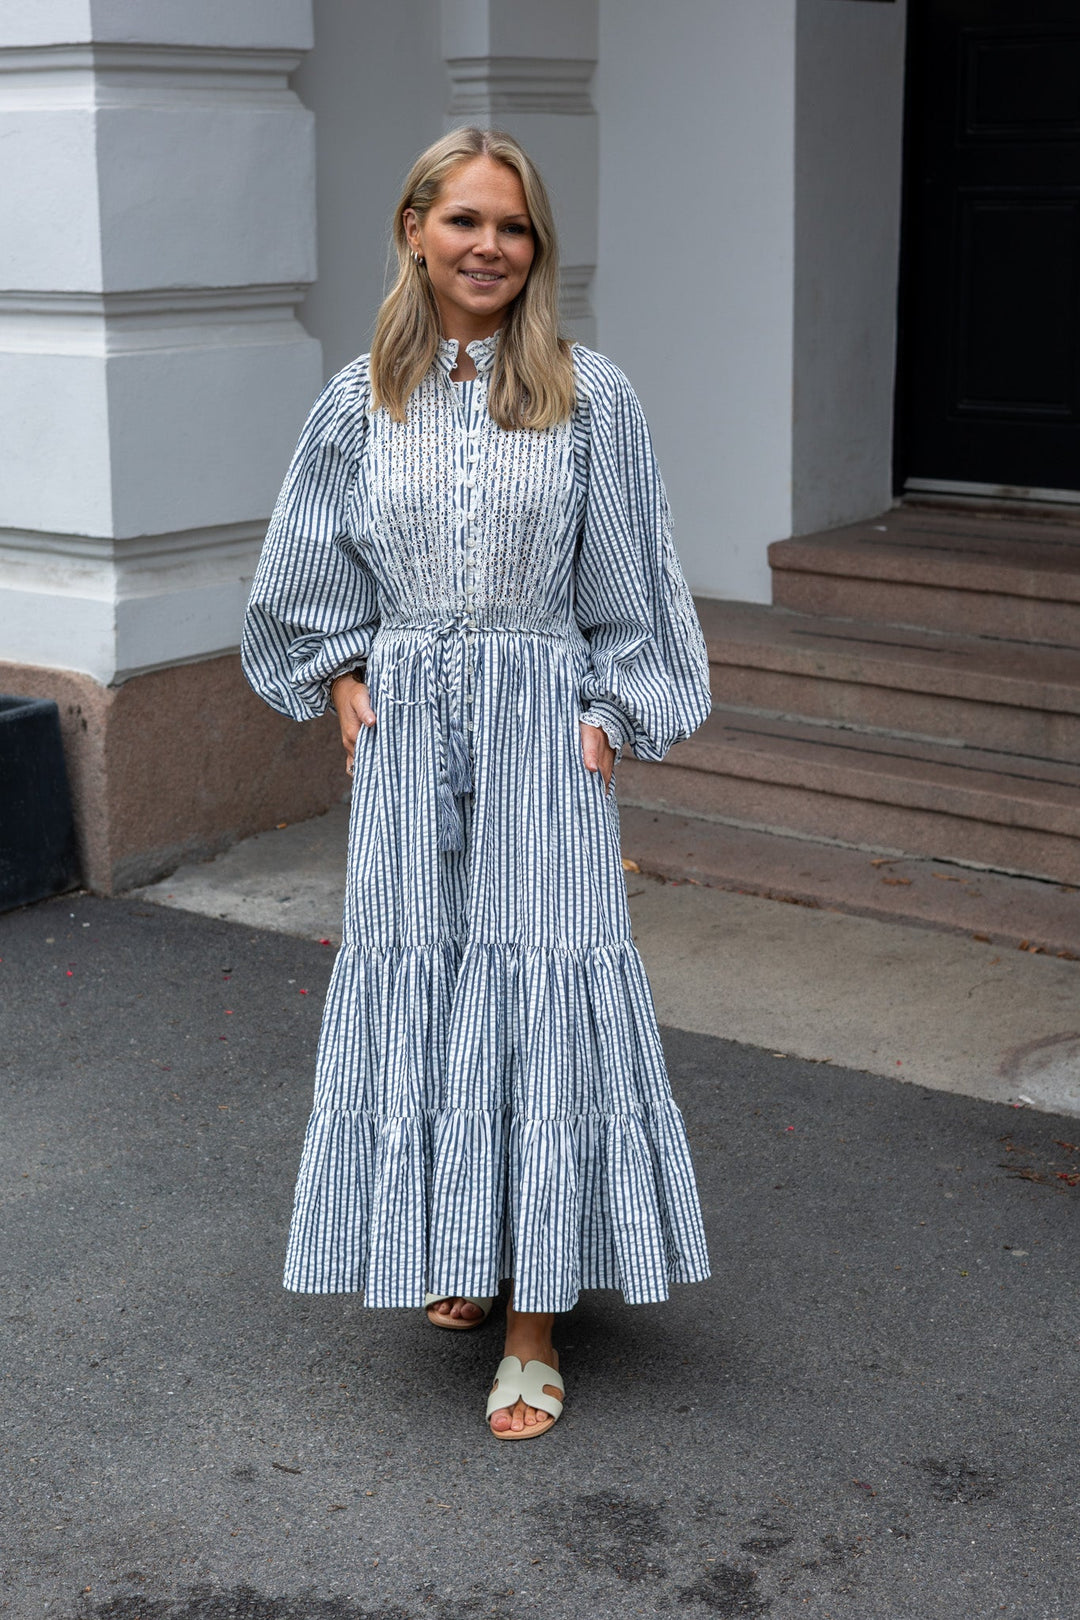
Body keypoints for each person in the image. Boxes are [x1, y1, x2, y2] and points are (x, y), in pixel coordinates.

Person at [241, 126, 713, 1442]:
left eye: (513, 227)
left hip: (539, 736)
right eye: (465, 222)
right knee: (429, 980)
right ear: (413, 230)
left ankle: (532, 1323)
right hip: (405, 742)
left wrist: (611, 711)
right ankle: (452, 1242)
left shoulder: (588, 394)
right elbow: (308, 563)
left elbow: (637, 575)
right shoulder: (358, 401)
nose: (490, 247)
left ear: (536, 247)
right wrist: (339, 674)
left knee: (543, 994)